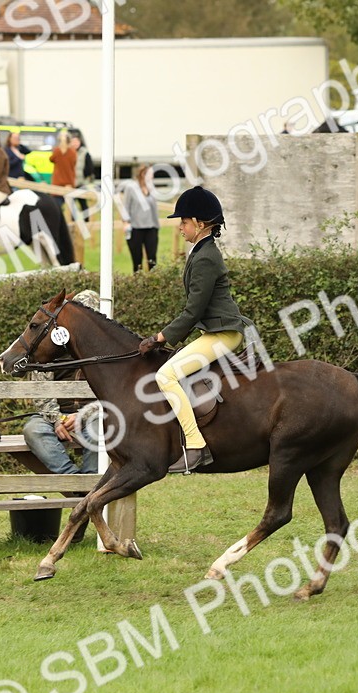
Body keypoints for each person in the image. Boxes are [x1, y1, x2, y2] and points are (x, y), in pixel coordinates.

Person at [137, 186, 252, 473]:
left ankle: (196, 445)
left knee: (166, 376)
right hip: (213, 332)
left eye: (184, 221)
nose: (180, 227)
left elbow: (193, 311)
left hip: (224, 334)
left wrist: (160, 337)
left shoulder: (206, 257)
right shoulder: (200, 251)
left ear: (200, 224)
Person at [23, 290, 103, 475]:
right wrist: (57, 420)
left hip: (94, 415)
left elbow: (114, 395)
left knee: (101, 428)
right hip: (56, 416)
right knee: (33, 430)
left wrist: (83, 414)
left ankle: (92, 481)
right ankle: (74, 481)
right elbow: (41, 391)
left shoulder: (107, 348)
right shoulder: (50, 346)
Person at [122, 164, 159, 272]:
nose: (152, 176)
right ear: (143, 174)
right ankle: (137, 280)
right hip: (135, 228)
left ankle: (154, 281)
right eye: (150, 174)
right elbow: (126, 207)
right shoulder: (131, 188)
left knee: (152, 259)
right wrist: (126, 222)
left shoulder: (151, 188)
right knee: (137, 261)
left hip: (151, 227)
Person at [49, 129, 78, 214]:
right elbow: (51, 159)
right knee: (57, 207)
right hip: (57, 183)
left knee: (71, 209)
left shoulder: (72, 152)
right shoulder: (57, 151)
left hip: (68, 183)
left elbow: (73, 162)